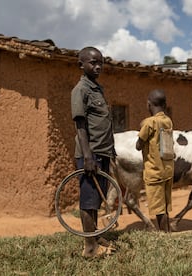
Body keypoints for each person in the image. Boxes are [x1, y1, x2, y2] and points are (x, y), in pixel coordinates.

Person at [71, 46, 116, 258]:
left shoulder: (97, 89)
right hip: (91, 154)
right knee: (89, 201)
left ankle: (96, 236)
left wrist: (110, 153)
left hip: (103, 153)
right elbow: (80, 125)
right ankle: (90, 248)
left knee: (97, 199)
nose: (98, 66)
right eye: (93, 62)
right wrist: (88, 156)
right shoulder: (81, 90)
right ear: (81, 65)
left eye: (101, 62)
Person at [136, 89, 174, 232]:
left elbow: (138, 145)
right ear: (164, 105)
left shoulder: (150, 123)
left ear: (148, 104)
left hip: (155, 171)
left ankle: (164, 235)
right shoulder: (167, 121)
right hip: (168, 169)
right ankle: (168, 231)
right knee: (164, 206)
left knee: (158, 208)